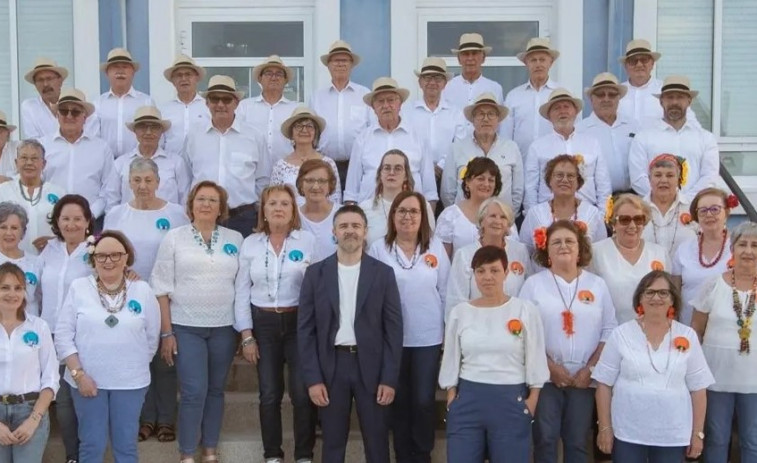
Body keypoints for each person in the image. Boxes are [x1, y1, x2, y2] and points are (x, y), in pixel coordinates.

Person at [298, 204, 403, 463]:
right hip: (332, 366)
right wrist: (313, 379)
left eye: (356, 226)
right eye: (344, 226)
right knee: (332, 443)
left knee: (377, 443)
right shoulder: (315, 274)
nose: (350, 231)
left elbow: (393, 330)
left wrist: (389, 378)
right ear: (334, 232)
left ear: (366, 231)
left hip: (372, 367)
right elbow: (306, 330)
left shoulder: (383, 274)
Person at [150, 181, 244, 463]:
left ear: (221, 208)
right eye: (200, 199)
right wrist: (167, 333)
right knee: (193, 391)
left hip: (224, 328)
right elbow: (161, 288)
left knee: (216, 390)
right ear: (191, 205)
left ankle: (210, 450)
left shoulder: (235, 238)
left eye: (212, 200)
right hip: (185, 326)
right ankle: (187, 453)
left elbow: (241, 287)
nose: (206, 204)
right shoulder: (174, 238)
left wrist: (243, 330)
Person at [55, 230, 160, 462]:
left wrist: (131, 366)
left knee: (126, 447)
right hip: (87, 381)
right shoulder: (79, 288)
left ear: (126, 258)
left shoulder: (142, 290)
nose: (109, 261)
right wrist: (78, 374)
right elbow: (63, 336)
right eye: (102, 256)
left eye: (116, 255)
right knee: (92, 445)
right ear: (93, 259)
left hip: (130, 383)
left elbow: (151, 339)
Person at [104, 157, 188, 444]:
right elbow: (109, 251)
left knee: (165, 357)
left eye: (148, 180)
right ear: (129, 182)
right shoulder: (116, 214)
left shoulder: (176, 213)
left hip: (166, 296)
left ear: (158, 182)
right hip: (128, 297)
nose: (142, 186)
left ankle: (166, 419)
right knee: (139, 358)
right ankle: (145, 418)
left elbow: (183, 251)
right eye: (137, 180)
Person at [519, 220, 617, 463]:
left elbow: (609, 330)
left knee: (577, 441)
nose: (564, 246)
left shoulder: (597, 284)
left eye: (569, 241)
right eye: (557, 242)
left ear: (580, 247)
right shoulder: (533, 285)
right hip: (546, 377)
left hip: (584, 378)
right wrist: (550, 368)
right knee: (545, 439)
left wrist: (590, 369)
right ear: (546, 250)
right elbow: (523, 331)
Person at [439, 245, 549, 462]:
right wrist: (452, 396)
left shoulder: (524, 310)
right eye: (480, 271)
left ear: (506, 273)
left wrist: (532, 400)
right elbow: (451, 358)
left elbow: (535, 357)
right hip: (468, 398)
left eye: (494, 270)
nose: (487, 277)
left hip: (511, 400)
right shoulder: (460, 313)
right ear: (473, 275)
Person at [234, 184, 317, 463]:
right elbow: (242, 291)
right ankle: (272, 455)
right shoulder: (250, 244)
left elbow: (317, 289)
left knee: (302, 394)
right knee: (269, 394)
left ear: (293, 210)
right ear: (264, 211)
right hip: (264, 324)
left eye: (285, 203)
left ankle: (304, 455)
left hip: (299, 324)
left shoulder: (308, 241)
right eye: (272, 204)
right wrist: (247, 336)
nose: (278, 208)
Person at [593, 271, 713, 462]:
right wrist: (605, 428)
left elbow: (698, 388)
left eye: (663, 293)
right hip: (628, 432)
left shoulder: (688, 335)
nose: (656, 297)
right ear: (639, 298)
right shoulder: (621, 334)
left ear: (672, 299)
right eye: (649, 292)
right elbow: (603, 384)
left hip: (672, 435)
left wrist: (697, 433)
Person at [368, 191, 449, 463]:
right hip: (392, 340)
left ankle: (421, 452)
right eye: (401, 210)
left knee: (424, 400)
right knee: (399, 400)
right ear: (392, 216)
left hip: (428, 337)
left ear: (423, 217)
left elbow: (447, 290)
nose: (407, 216)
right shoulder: (379, 248)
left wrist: (448, 332)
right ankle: (402, 454)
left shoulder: (434, 247)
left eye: (414, 211)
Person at [691, 222, 757, 463]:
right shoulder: (713, 284)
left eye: (755, 245)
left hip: (754, 382)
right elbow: (696, 329)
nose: (748, 251)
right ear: (732, 249)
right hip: (716, 377)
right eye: (742, 244)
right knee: (717, 438)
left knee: (753, 440)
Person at [37, 194, 93, 463]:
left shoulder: (96, 250)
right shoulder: (49, 250)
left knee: (75, 399)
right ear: (57, 222)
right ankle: (72, 455)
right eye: (65, 218)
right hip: (48, 335)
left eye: (77, 219)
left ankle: (82, 454)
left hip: (80, 338)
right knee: (57, 399)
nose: (71, 224)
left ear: (87, 221)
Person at [182, 75, 270, 237]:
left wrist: (260, 216)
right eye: (215, 99)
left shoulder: (254, 136)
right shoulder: (194, 136)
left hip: (243, 218)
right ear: (207, 103)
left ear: (236, 103)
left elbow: (263, 179)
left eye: (226, 99)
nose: (220, 104)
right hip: (203, 216)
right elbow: (186, 177)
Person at [344, 77, 437, 205]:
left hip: (411, 214)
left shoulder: (418, 137)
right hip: (370, 212)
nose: (386, 106)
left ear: (400, 104)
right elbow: (351, 191)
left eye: (391, 100)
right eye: (380, 101)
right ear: (373, 107)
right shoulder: (362, 139)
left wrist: (428, 222)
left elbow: (430, 190)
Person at [0, 261, 59, 463]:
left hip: (30, 411)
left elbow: (51, 378)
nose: (12, 294)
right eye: (5, 288)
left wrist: (34, 421)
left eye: (18, 288)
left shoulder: (39, 327)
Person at [628, 75, 718, 200]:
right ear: (661, 101)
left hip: (692, 210)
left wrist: (685, 202)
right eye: (670, 97)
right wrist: (664, 199)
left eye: (680, 97)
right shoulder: (643, 137)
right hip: (655, 210)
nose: (674, 102)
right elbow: (638, 178)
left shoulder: (706, 138)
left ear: (689, 101)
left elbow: (709, 177)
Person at [524, 88, 611, 215]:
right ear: (549, 116)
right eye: (557, 108)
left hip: (587, 213)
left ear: (575, 112)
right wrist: (535, 217)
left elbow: (603, 184)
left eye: (566, 107)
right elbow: (530, 188)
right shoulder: (537, 147)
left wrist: (603, 216)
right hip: (549, 214)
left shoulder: (592, 143)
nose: (562, 111)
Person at [591, 194, 670, 324]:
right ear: (613, 223)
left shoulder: (659, 253)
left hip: (651, 331)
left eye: (638, 219)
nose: (632, 225)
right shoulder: (596, 252)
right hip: (611, 332)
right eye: (625, 220)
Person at [40, 88, 115, 222]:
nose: (69, 116)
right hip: (50, 219)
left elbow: (109, 189)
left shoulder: (101, 148)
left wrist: (90, 215)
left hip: (90, 221)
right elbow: (37, 184)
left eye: (75, 112)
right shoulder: (43, 146)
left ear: (84, 117)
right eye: (64, 111)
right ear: (57, 115)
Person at [447, 198, 530, 314]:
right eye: (492, 216)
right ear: (481, 221)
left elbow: (527, 294)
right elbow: (455, 302)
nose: (497, 221)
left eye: (503, 217)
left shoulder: (521, 251)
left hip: (514, 325)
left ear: (508, 225)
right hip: (476, 325)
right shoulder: (464, 255)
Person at [441, 93, 523, 210]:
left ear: (498, 119)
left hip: (500, 221)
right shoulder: (457, 148)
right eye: (480, 114)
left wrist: (508, 216)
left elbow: (517, 191)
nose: (486, 119)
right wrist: (458, 216)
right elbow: (448, 191)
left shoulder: (511, 148)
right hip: (465, 221)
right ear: (473, 119)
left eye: (491, 114)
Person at [309, 40, 371, 187]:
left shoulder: (364, 94)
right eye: (336, 60)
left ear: (352, 65)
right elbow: (311, 131)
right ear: (328, 65)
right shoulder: (316, 97)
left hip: (358, 165)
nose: (340, 64)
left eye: (345, 60)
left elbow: (372, 129)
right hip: (324, 164)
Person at [105, 106, 191, 211]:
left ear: (161, 131)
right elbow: (112, 201)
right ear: (135, 131)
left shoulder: (176, 163)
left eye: (154, 127)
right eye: (143, 127)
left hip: (167, 224)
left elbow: (185, 200)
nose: (148, 132)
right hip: (129, 224)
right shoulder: (120, 163)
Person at [520, 155, 607, 253]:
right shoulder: (535, 213)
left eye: (570, 176)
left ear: (578, 182)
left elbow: (601, 252)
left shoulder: (592, 213)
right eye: (559, 175)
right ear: (550, 180)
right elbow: (525, 251)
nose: (565, 180)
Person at [672, 187, 734, 325]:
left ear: (727, 212)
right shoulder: (684, 249)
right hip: (688, 331)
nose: (709, 215)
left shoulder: (739, 247)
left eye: (715, 209)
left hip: (727, 329)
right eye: (703, 211)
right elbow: (674, 294)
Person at [404, 57, 464, 186]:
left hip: (446, 174)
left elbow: (459, 144)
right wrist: (424, 166)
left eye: (438, 78)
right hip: (415, 173)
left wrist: (442, 166)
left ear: (445, 83)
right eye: (427, 78)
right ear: (420, 82)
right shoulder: (407, 111)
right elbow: (404, 141)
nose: (432, 82)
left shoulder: (456, 113)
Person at [0, 139, 65, 255]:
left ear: (43, 164)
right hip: (8, 262)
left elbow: (68, 229)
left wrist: (54, 241)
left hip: (49, 260)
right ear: (16, 163)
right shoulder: (3, 191)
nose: (29, 163)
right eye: (24, 158)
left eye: (34, 158)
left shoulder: (59, 192)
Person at [358, 150, 435, 246]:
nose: (391, 172)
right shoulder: (364, 208)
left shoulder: (422, 205)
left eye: (398, 168)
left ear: (406, 176)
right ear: (380, 174)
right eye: (387, 168)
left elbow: (429, 242)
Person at [576, 72, 636, 194]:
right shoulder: (580, 131)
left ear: (619, 98)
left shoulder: (634, 126)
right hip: (597, 199)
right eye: (600, 95)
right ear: (591, 99)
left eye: (612, 95)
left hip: (632, 198)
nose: (606, 99)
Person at [502, 37, 563, 158]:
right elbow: (505, 137)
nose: (538, 64)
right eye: (533, 60)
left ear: (550, 63)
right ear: (526, 63)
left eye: (542, 60)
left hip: (555, 166)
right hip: (521, 165)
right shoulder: (513, 96)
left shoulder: (561, 94)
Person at [617, 39, 698, 128]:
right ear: (626, 66)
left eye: (644, 60)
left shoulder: (666, 91)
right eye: (633, 61)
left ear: (652, 63)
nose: (639, 65)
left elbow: (690, 124)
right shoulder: (615, 94)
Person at [271, 106, 341, 205]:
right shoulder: (280, 166)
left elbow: (335, 198)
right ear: (291, 133)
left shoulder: (328, 163)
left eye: (309, 126)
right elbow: (274, 199)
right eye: (299, 126)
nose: (304, 130)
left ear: (316, 133)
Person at [237, 55, 298, 164]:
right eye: (269, 73)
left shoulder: (295, 109)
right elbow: (236, 139)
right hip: (253, 170)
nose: (274, 77)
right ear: (260, 79)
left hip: (286, 171)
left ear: (285, 80)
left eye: (279, 74)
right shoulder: (244, 107)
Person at [94, 48, 154, 158]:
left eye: (125, 67)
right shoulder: (98, 104)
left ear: (133, 73)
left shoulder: (146, 102)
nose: (120, 71)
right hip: (107, 163)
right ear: (107, 73)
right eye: (115, 67)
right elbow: (93, 139)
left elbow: (154, 136)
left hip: (138, 163)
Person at [437, 157, 501, 257]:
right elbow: (442, 260)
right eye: (481, 179)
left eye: (491, 180)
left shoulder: (502, 214)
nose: (486, 184)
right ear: (467, 182)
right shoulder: (450, 215)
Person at [641, 154, 697, 259]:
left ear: (678, 179)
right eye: (658, 175)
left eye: (670, 175)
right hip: (646, 274)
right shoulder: (637, 208)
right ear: (649, 179)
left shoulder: (692, 208)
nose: (663, 180)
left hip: (684, 274)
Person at [159, 55, 210, 154]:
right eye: (179, 75)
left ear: (196, 78)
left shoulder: (208, 107)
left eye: (188, 74)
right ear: (173, 81)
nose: (184, 79)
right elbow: (159, 142)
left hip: (201, 164)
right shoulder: (164, 110)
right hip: (172, 164)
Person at [20, 57, 77, 140]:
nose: (45, 84)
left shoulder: (74, 105)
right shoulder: (30, 107)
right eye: (40, 80)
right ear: (35, 84)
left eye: (49, 79)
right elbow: (33, 142)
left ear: (60, 81)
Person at [443, 33, 504, 109]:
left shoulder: (495, 88)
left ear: (483, 58)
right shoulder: (446, 88)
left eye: (474, 53)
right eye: (466, 54)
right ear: (459, 59)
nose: (470, 58)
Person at [0, 203, 41, 316]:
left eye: (14, 228)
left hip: (30, 329)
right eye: (3, 227)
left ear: (23, 232)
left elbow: (41, 298)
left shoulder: (37, 262)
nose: (9, 233)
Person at [297, 159, 340, 262]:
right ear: (301, 185)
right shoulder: (293, 216)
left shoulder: (343, 214)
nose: (316, 186)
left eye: (322, 181)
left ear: (330, 185)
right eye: (310, 180)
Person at [0, 111, 19, 177]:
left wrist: (8, 180)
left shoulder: (19, 149)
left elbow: (34, 174)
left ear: (8, 133)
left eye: (0, 131)